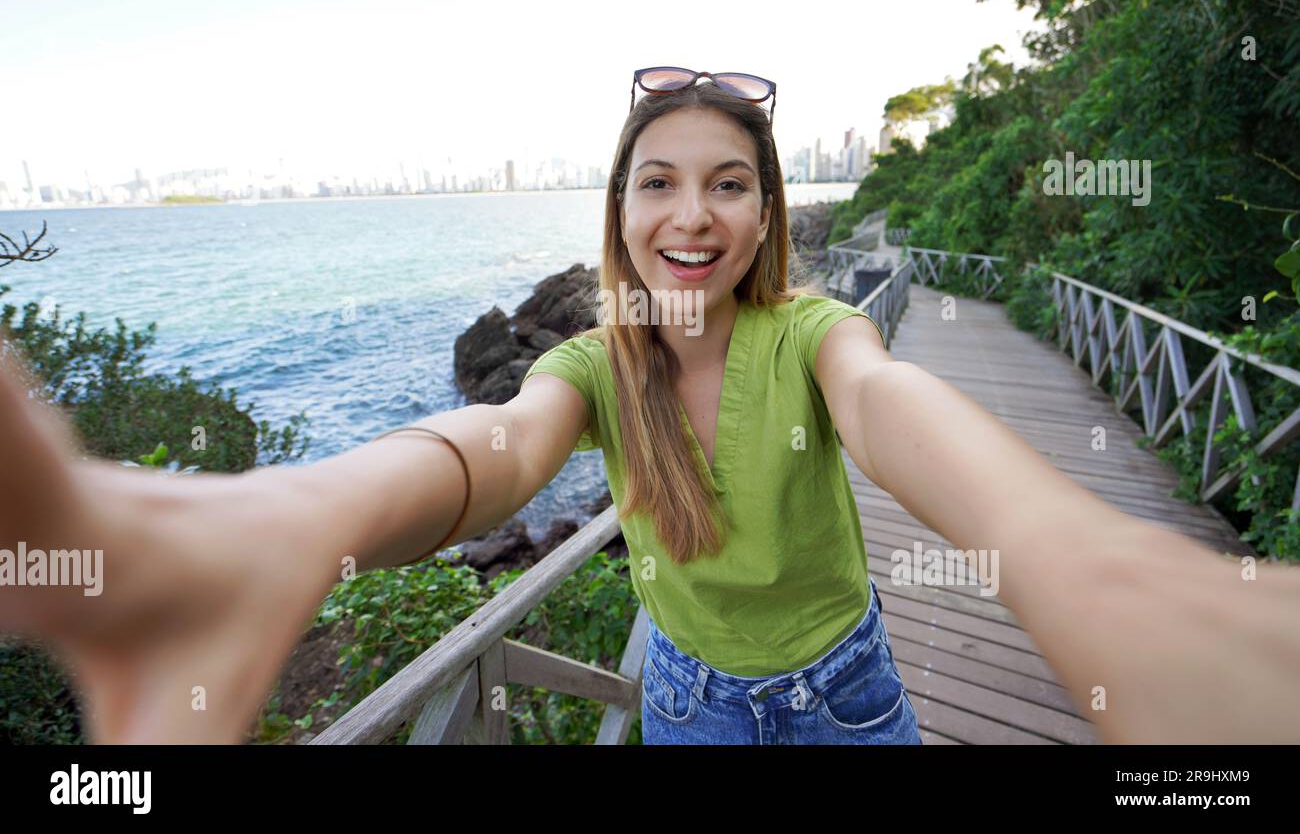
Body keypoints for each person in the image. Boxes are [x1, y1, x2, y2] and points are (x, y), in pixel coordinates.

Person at [1, 71, 1298, 745]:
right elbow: (492, 452)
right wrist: (280, 520)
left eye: (729, 184)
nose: (693, 214)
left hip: (849, 688)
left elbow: (894, 406)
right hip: (684, 701)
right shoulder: (591, 364)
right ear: (618, 215)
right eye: (659, 183)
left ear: (770, 214)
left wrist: (1090, 569)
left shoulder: (815, 335)